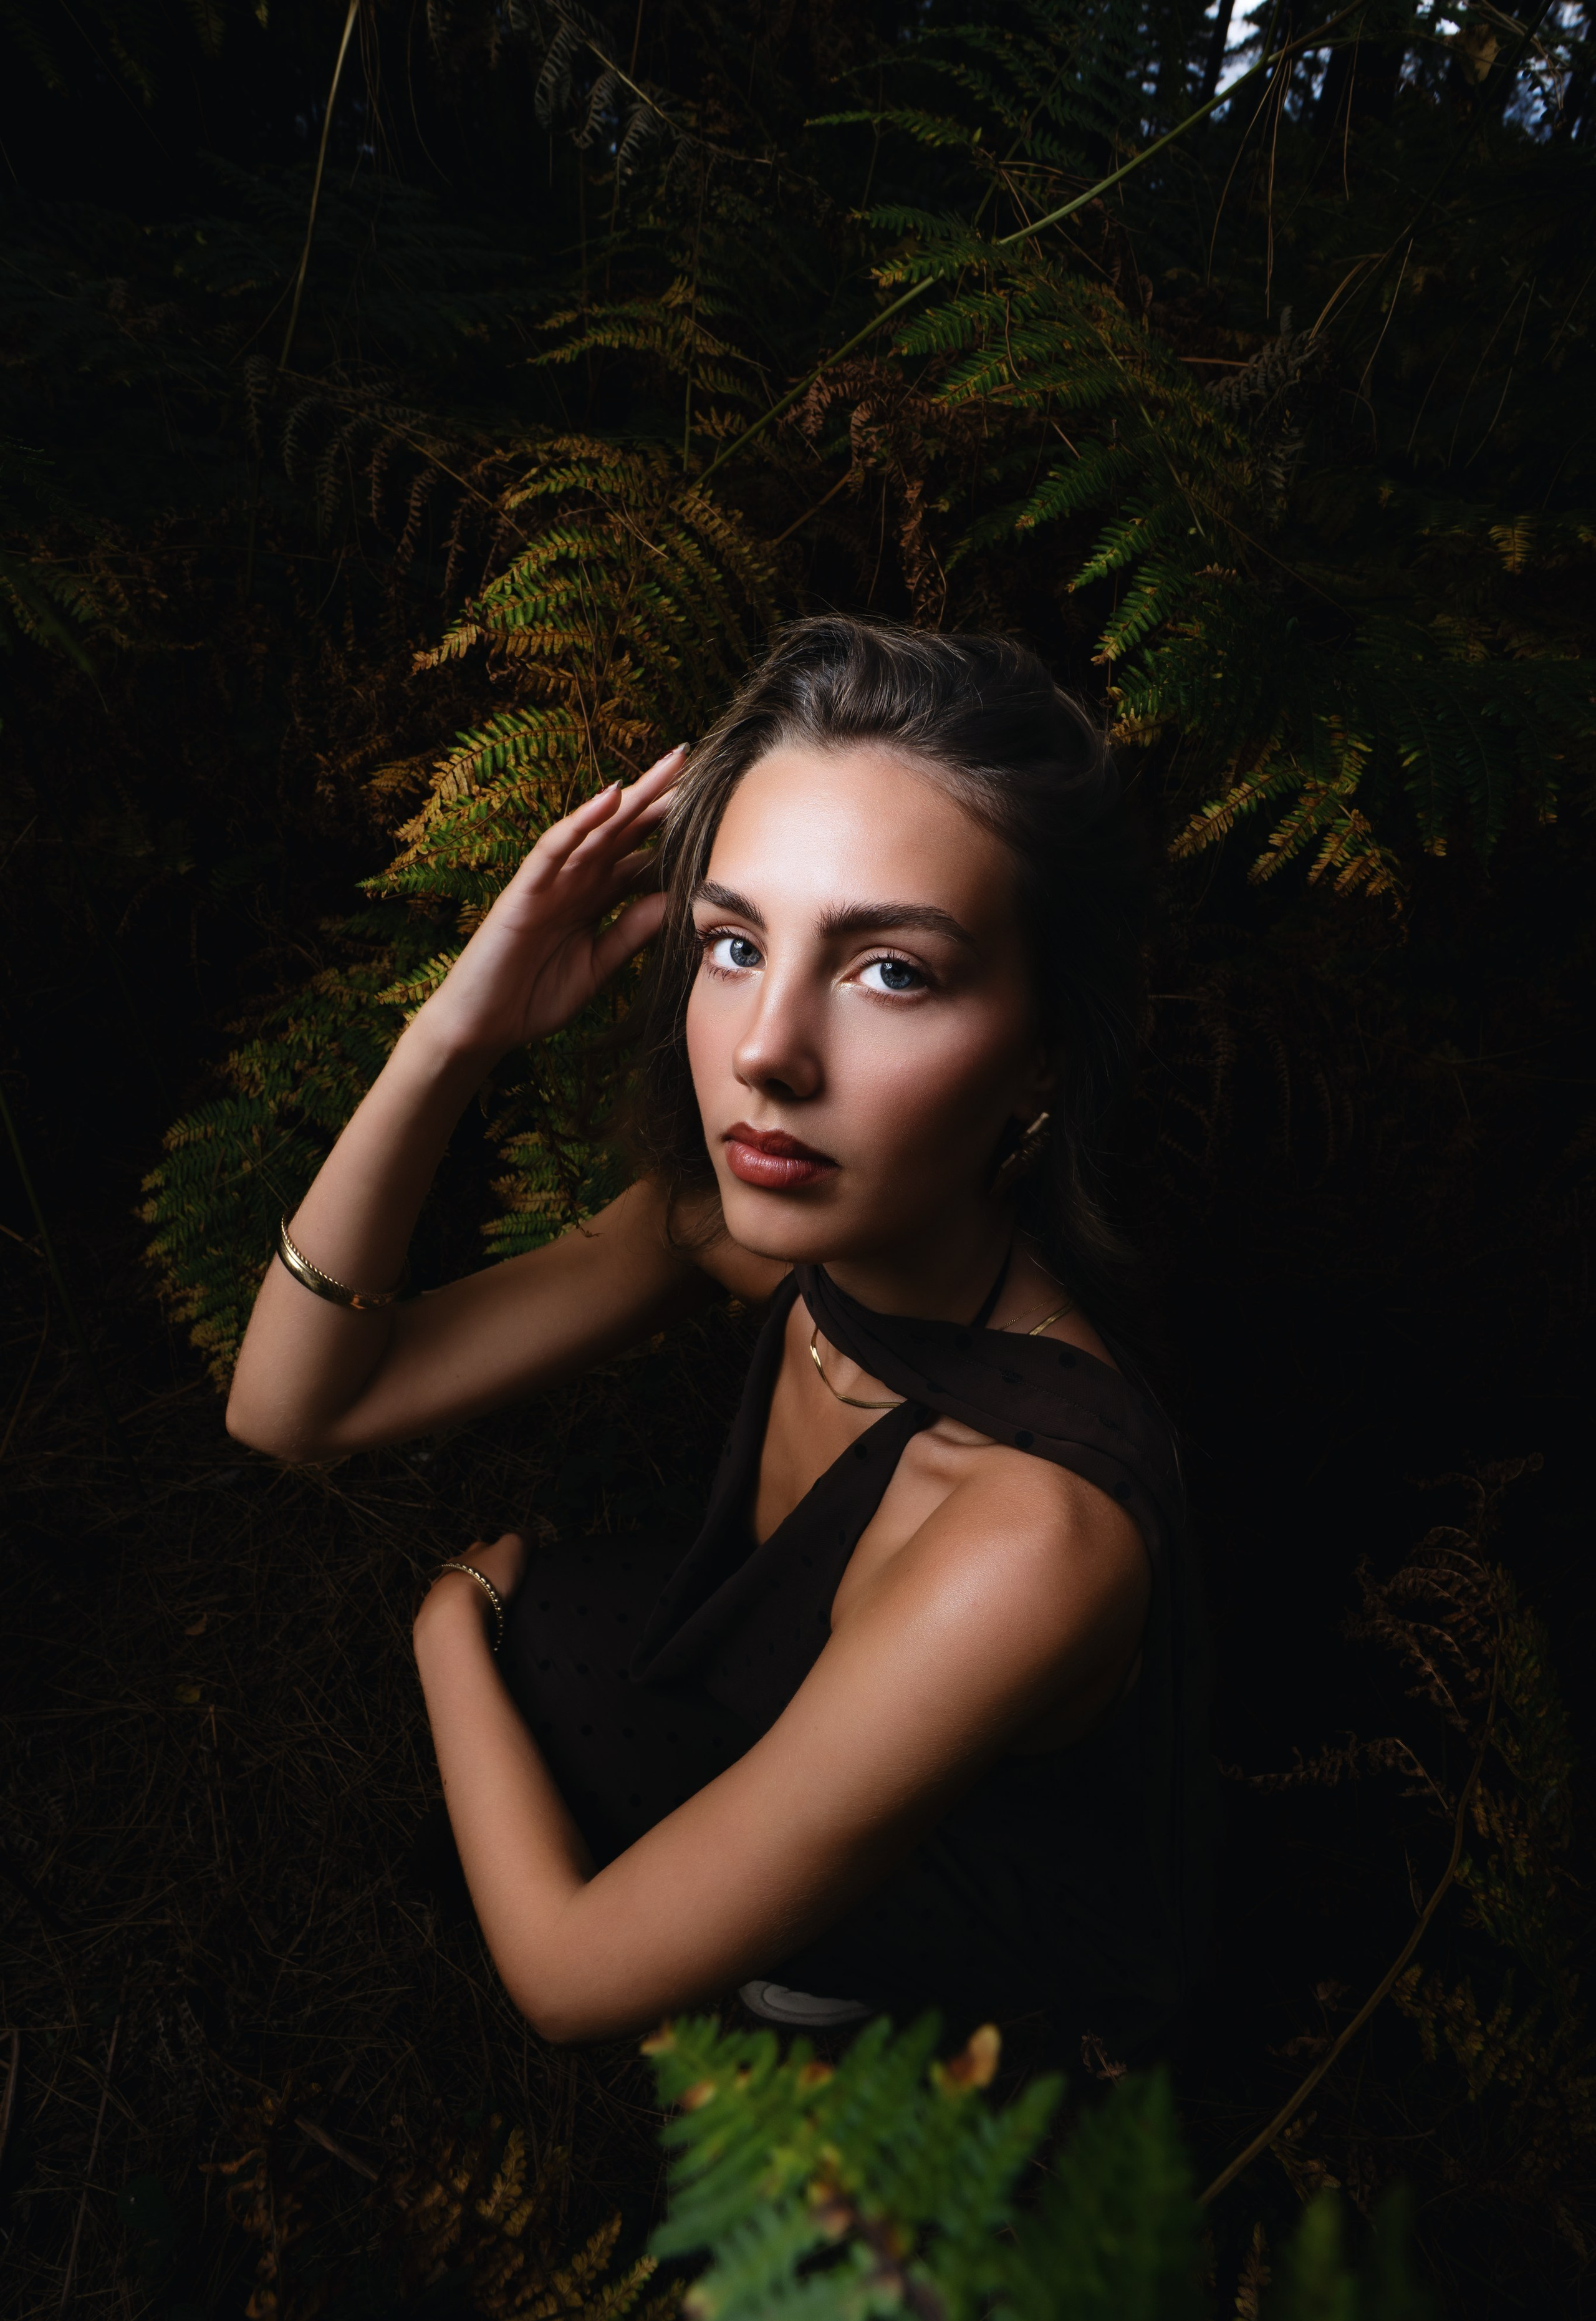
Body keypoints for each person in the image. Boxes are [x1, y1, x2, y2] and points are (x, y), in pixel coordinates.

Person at [226, 617, 1210, 2056]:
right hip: (845, 1698)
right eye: (733, 946)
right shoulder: (747, 1243)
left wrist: (445, 1625)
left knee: (513, 1646)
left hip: (1017, 1911)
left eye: (891, 972)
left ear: (1043, 1056)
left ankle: (882, 1978)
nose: (763, 1050)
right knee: (560, 1634)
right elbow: (288, 1409)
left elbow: (567, 1978)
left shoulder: (1029, 1539)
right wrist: (455, 1032)